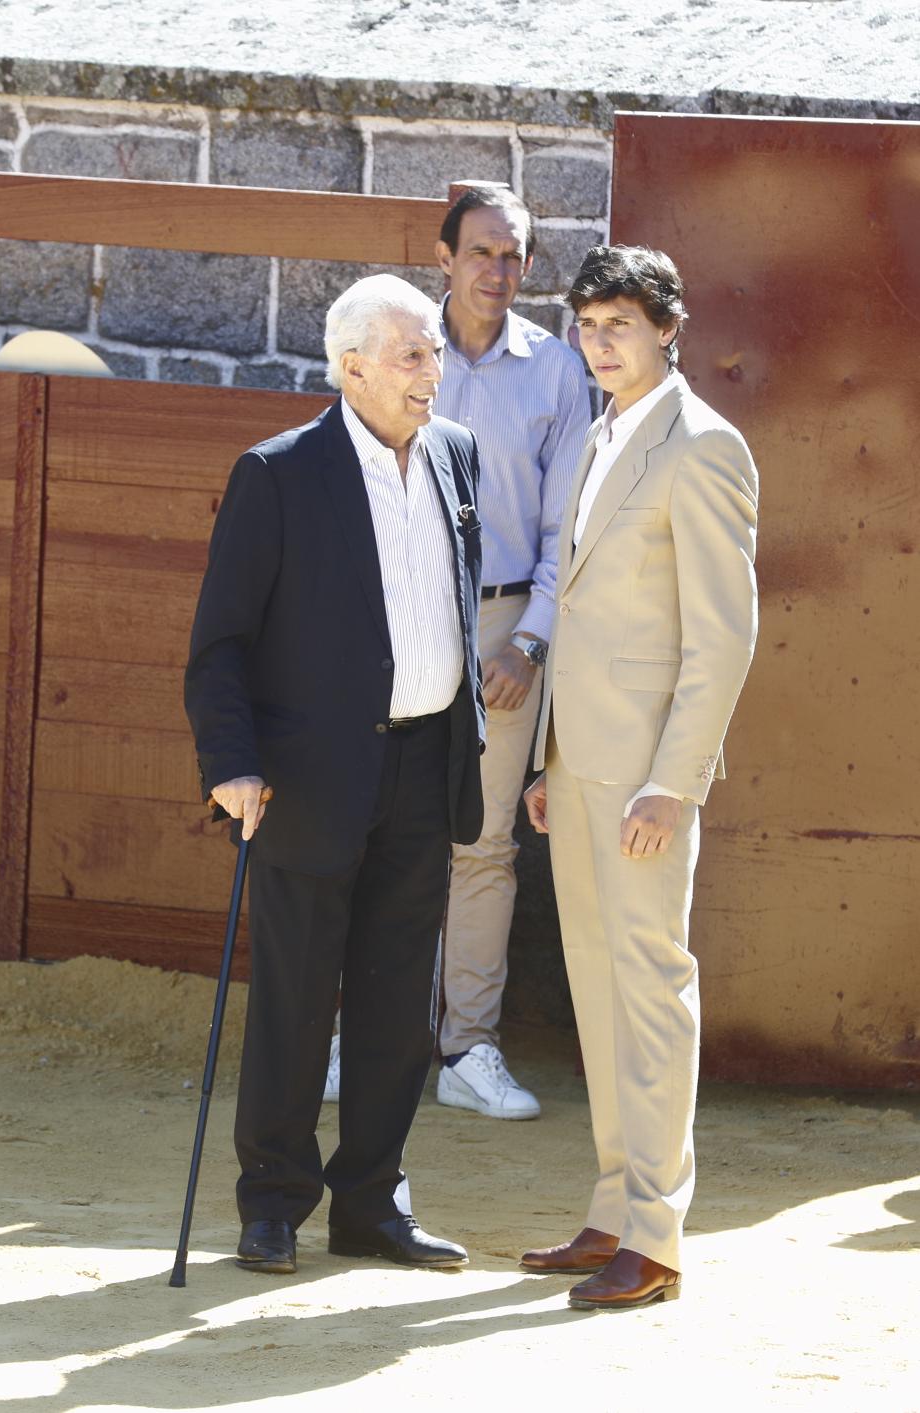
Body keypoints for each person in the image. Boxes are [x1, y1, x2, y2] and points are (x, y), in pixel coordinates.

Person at [184, 273, 485, 1276]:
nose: (430, 372)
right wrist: (231, 764)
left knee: (399, 1006)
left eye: (435, 352)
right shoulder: (278, 473)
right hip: (309, 780)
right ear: (350, 364)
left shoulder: (454, 454)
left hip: (425, 763)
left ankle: (372, 1203)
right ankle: (272, 1202)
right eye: (411, 354)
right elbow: (220, 643)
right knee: (297, 999)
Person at [520, 245, 759, 1308]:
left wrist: (676, 781)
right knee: (596, 985)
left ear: (669, 327)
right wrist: (546, 759)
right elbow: (573, 607)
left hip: (646, 779)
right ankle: (614, 1206)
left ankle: (655, 1238)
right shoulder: (594, 435)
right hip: (577, 764)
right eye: (586, 323)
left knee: (650, 988)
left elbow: (724, 637)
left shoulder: (703, 446)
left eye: (620, 322)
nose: (600, 341)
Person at [426, 186, 591, 1120]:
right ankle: (363, 1034)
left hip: (504, 626)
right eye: (482, 251)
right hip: (405, 620)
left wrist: (531, 640)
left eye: (515, 255)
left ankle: (467, 1048)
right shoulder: (402, 347)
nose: (498, 270)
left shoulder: (559, 373)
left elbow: (567, 526)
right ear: (444, 257)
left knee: (484, 844)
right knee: (381, 832)